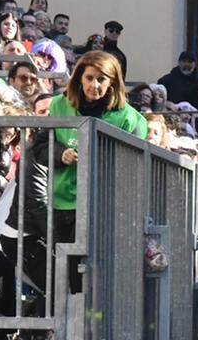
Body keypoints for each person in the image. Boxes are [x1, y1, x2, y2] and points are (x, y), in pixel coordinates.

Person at [49, 50, 148, 275]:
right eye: (89, 78)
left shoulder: (129, 118)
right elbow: (42, 145)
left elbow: (132, 163)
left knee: (98, 269)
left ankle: (95, 311)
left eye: (101, 79)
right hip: (65, 200)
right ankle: (70, 310)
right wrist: (60, 153)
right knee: (68, 270)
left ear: (112, 82)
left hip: (104, 202)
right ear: (79, 79)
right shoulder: (58, 106)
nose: (95, 85)